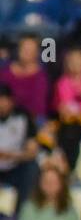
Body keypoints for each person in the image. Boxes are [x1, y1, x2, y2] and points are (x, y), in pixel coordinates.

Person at [0, 82, 39, 210]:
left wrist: (11, 156)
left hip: (15, 166)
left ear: (12, 101)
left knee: (32, 167)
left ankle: (22, 214)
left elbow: (32, 152)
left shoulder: (23, 117)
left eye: (4, 100)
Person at [1, 35, 51, 125]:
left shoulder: (41, 77)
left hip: (31, 120)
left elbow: (39, 107)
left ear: (37, 53)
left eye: (31, 50)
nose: (27, 52)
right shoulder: (4, 73)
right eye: (24, 49)